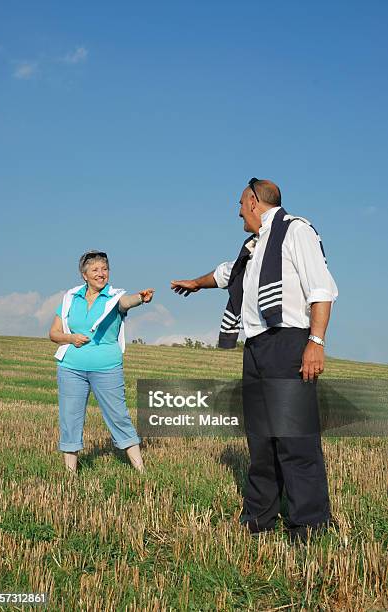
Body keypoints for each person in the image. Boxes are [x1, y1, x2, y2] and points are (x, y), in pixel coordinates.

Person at [171, 178, 338, 542]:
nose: (238, 212)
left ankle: (309, 526)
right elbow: (226, 274)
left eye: (240, 204)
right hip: (257, 347)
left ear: (252, 201)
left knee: (295, 439)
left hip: (289, 343)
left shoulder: (296, 231)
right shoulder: (253, 246)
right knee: (261, 439)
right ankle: (259, 520)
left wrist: (315, 342)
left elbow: (321, 288)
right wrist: (197, 284)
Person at [49, 250, 154, 473]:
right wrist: (71, 338)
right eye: (95, 270)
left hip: (107, 368)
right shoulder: (70, 298)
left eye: (105, 269)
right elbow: (54, 333)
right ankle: (70, 474)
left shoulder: (114, 297)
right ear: (84, 275)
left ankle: (141, 469)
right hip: (70, 367)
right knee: (70, 417)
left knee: (118, 415)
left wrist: (140, 298)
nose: (101, 273)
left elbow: (126, 302)